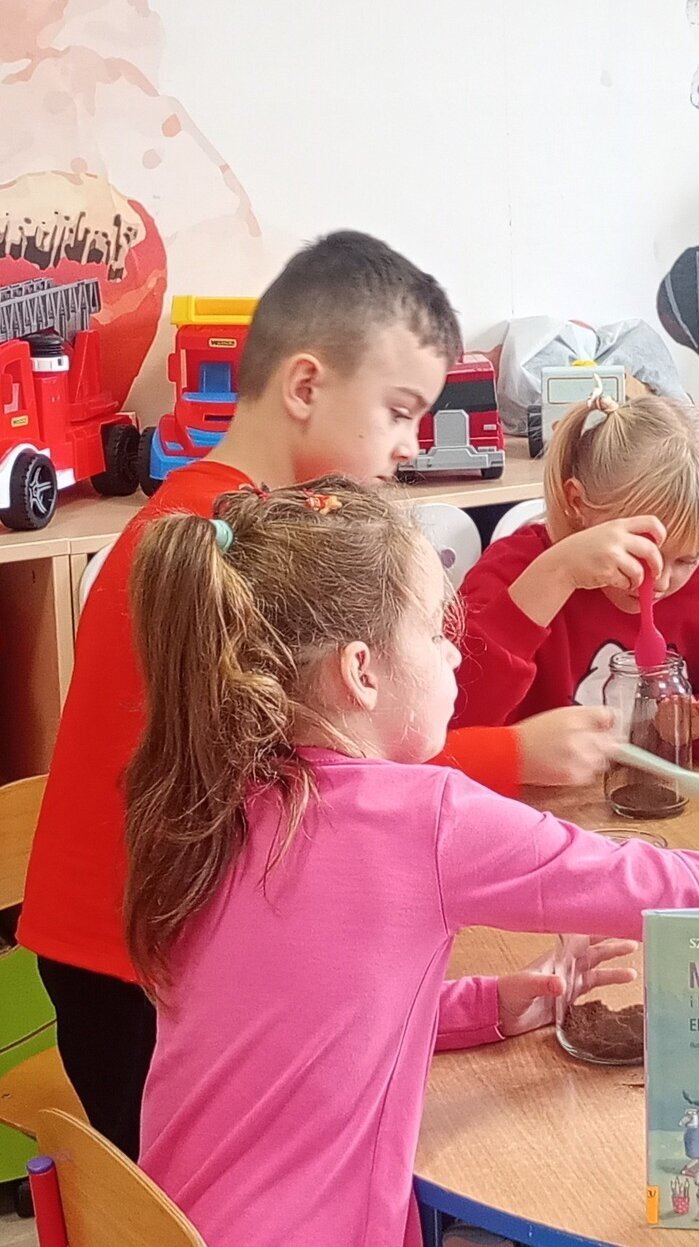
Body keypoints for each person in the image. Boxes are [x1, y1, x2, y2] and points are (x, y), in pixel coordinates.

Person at [17, 230, 616, 1157]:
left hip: (139, 945)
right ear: (305, 385)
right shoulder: (232, 553)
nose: (411, 446)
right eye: (400, 411)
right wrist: (513, 754)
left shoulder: (221, 525)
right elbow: (327, 780)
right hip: (135, 969)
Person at [125, 480, 699, 1247]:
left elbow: (308, 1024)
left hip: (163, 1225)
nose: (454, 651)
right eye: (437, 629)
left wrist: (489, 1004)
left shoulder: (214, 800)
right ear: (361, 671)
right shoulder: (423, 817)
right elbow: (670, 890)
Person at [455, 389, 699, 759]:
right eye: (642, 551)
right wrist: (558, 573)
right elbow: (455, 722)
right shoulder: (511, 573)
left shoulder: (698, 590)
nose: (661, 581)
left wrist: (685, 730)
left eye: (687, 559)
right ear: (577, 503)